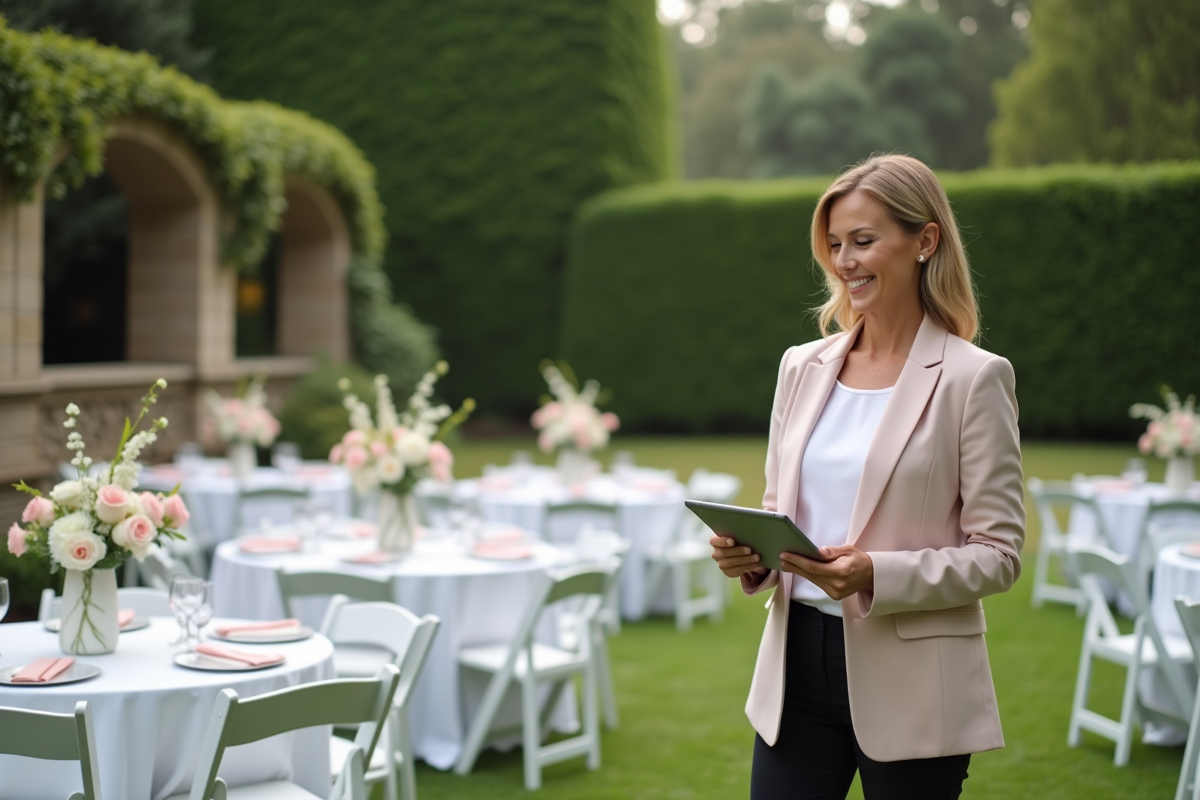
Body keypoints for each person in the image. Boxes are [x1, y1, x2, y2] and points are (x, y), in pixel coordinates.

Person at [710, 154, 1024, 800]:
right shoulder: (800, 367)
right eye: (834, 245)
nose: (844, 261)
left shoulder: (975, 378)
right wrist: (754, 559)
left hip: (914, 681)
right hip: (795, 670)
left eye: (863, 241)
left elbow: (998, 556)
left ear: (925, 242)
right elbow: (781, 509)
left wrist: (875, 573)